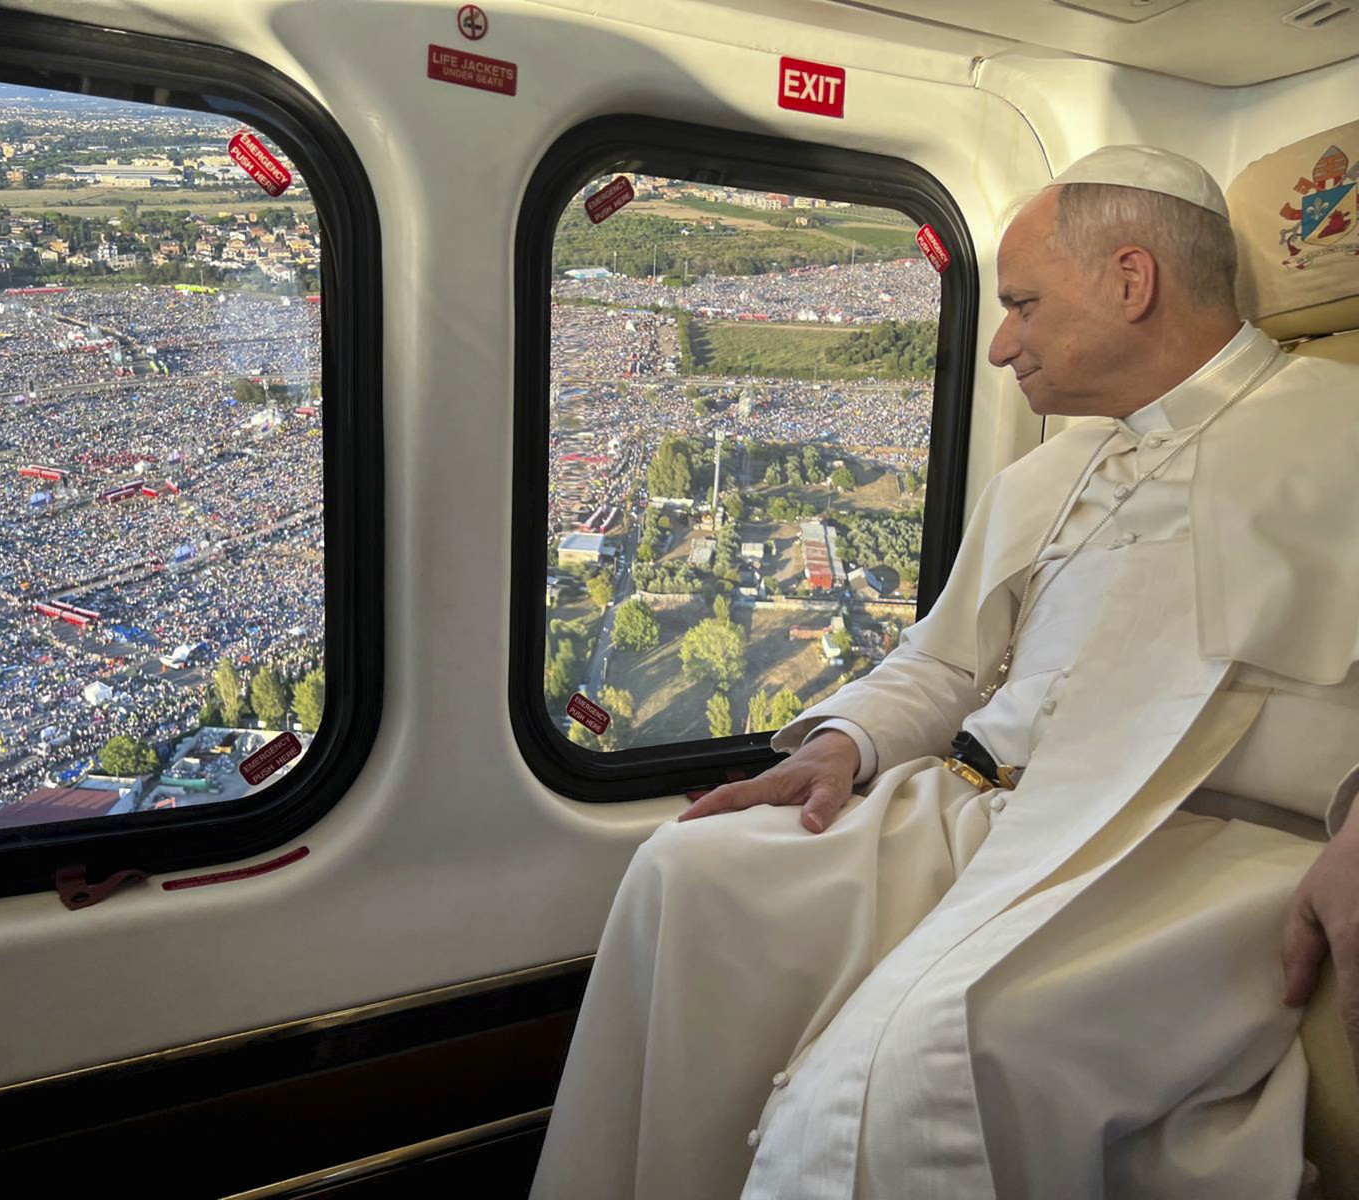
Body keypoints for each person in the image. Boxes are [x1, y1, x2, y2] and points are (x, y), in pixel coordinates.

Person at [529, 145, 1359, 1200]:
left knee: (915, 1064)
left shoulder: (1346, 427)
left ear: (1130, 281)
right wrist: (843, 743)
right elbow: (944, 661)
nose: (1002, 343)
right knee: (684, 878)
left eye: (1020, 304)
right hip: (975, 812)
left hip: (1178, 852)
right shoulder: (1049, 472)